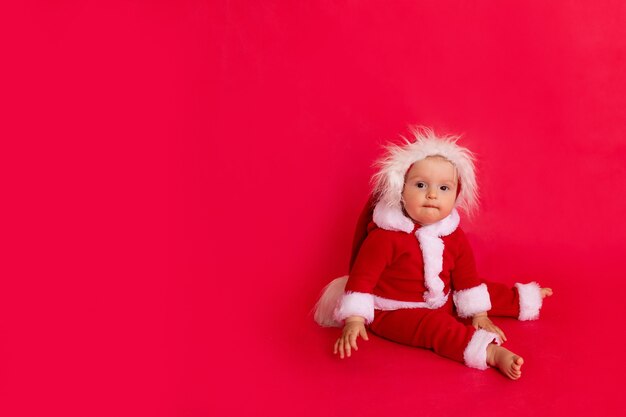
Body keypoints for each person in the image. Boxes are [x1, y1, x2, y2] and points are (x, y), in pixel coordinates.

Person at [314, 127, 553, 380]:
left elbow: (466, 277)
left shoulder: (452, 233)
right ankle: (490, 352)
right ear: (400, 191)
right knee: (435, 326)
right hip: (395, 311)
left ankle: (523, 300)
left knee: (479, 288)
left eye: (444, 188)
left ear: (457, 194)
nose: (431, 194)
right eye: (420, 185)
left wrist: (479, 313)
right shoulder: (385, 237)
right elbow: (362, 280)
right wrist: (354, 319)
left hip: (441, 296)